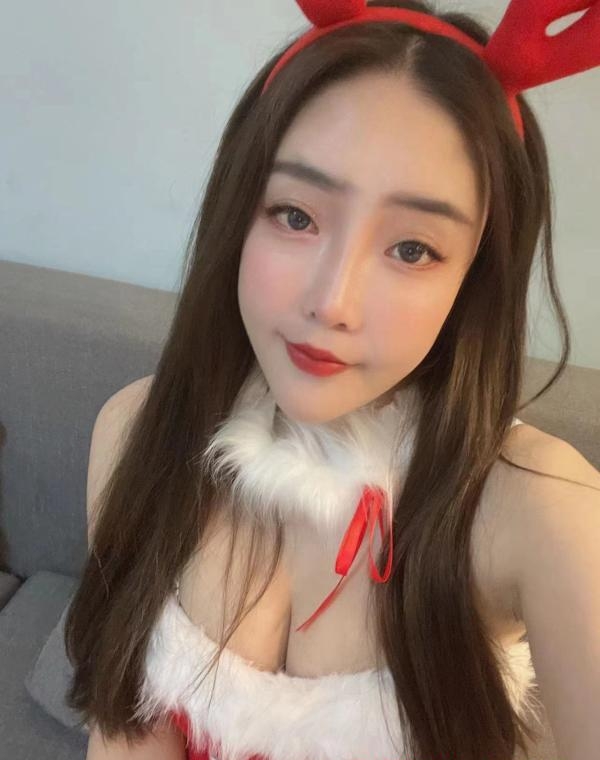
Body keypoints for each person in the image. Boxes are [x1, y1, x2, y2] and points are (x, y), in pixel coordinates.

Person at [65, 1, 600, 759]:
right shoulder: (134, 431)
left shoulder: (545, 512)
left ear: (475, 279)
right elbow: (126, 731)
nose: (332, 302)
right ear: (236, 212)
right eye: (295, 215)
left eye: (412, 249)